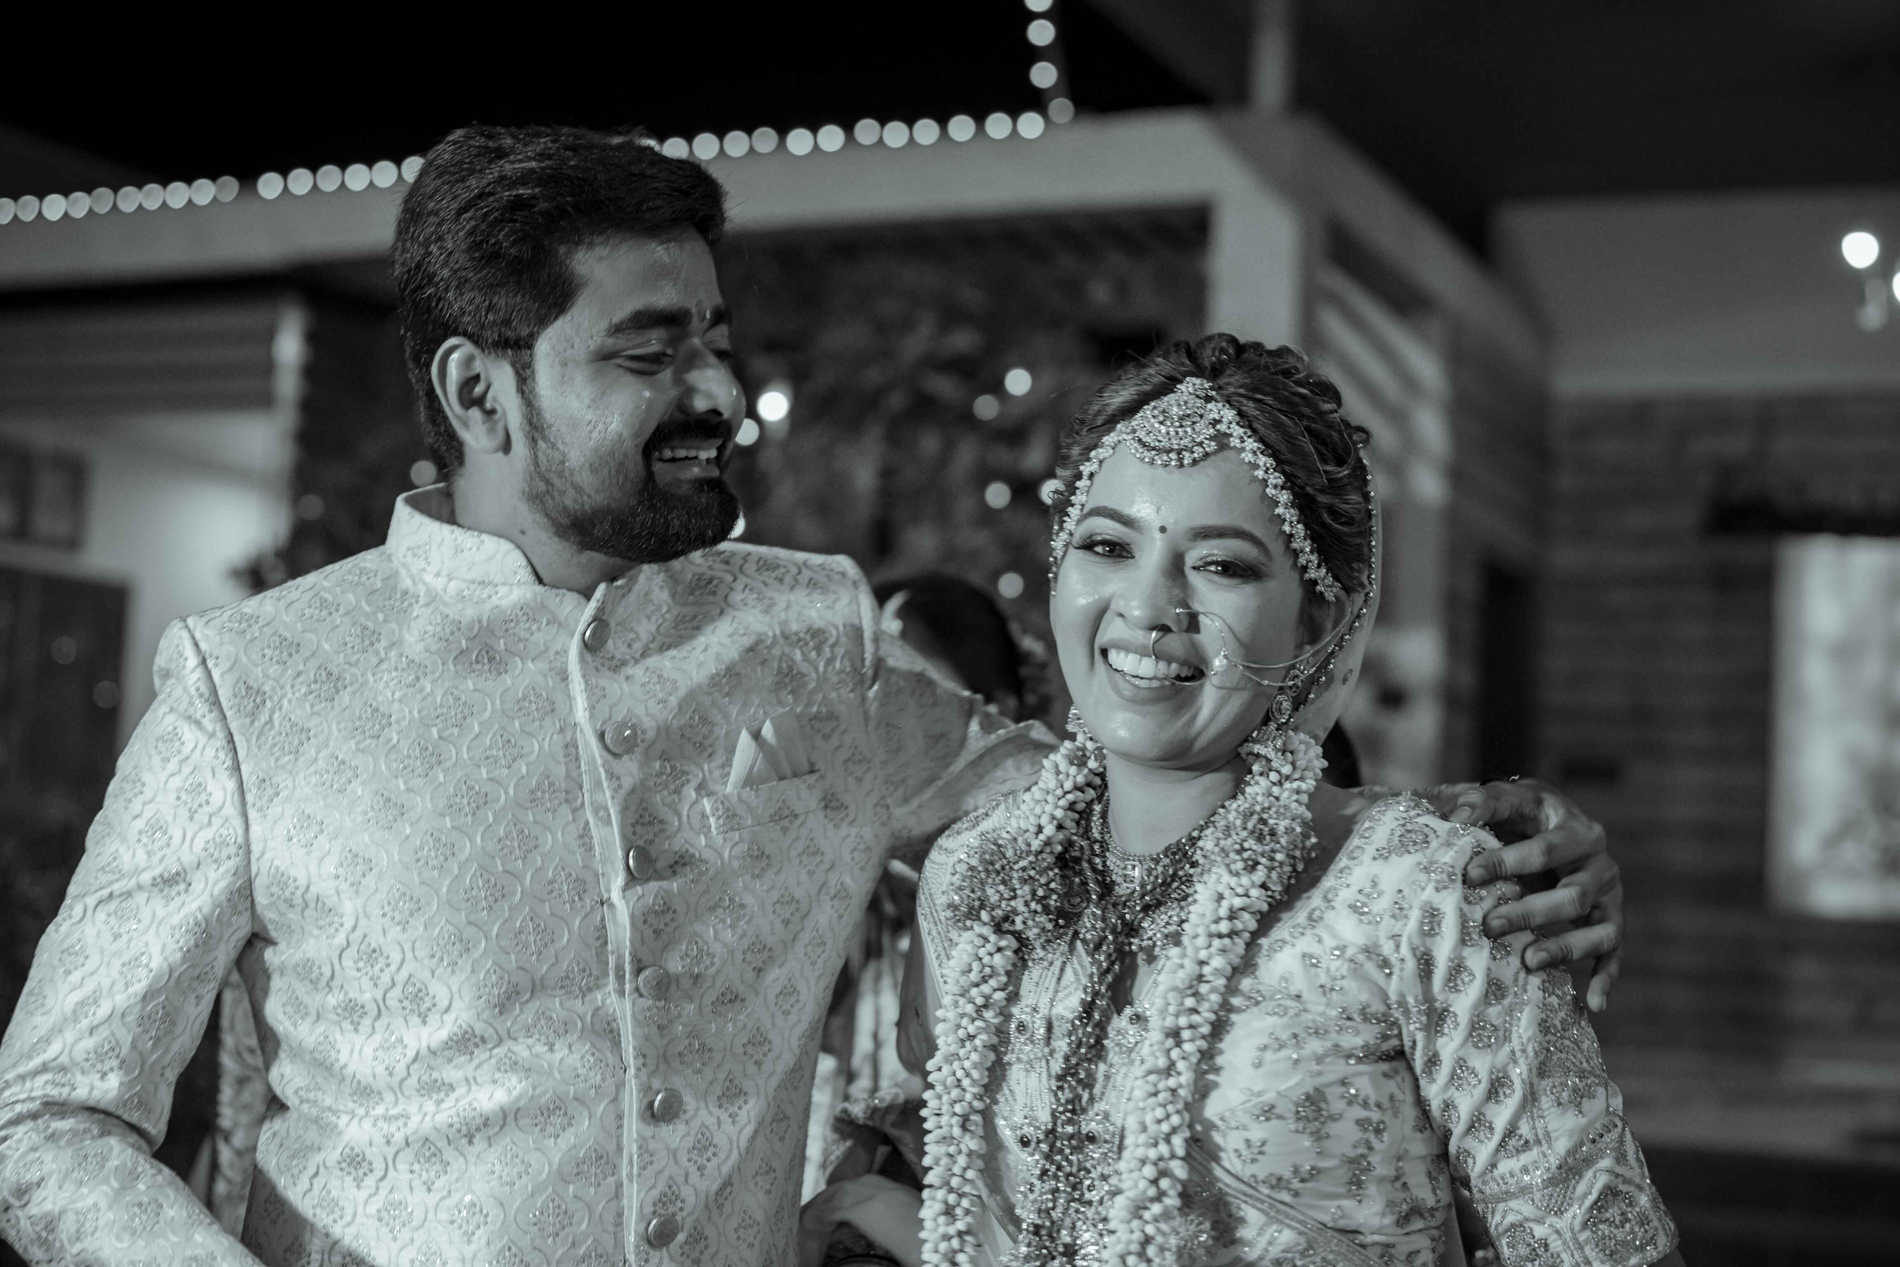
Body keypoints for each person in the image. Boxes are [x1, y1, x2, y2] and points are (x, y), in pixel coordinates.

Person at [0, 125, 1623, 1267]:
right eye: (650, 352)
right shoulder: (253, 683)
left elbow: (1109, 801)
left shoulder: (810, 626)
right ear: (479, 390)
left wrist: (1462, 844)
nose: (719, 389)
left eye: (716, 336)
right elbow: (50, 1116)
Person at [805, 338, 1679, 1266]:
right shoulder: (978, 879)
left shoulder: (1420, 892)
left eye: (1220, 564)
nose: (1148, 607)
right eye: (1107, 546)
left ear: (1319, 620)